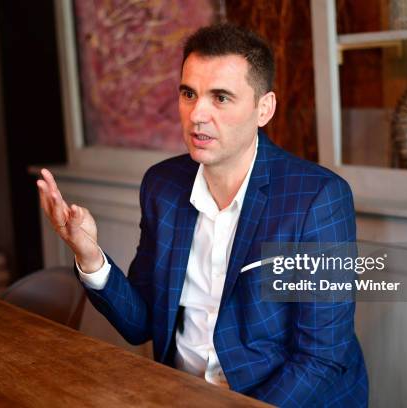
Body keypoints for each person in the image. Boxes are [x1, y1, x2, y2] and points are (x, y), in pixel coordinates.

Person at [37, 23, 368, 407]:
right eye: (188, 94)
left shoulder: (317, 199)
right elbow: (140, 323)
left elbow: (320, 359)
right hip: (182, 393)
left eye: (221, 98)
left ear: (264, 108)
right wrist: (89, 254)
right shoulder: (162, 186)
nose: (197, 115)